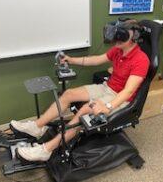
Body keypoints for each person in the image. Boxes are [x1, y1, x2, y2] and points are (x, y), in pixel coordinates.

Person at [11, 21, 150, 162]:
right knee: (68, 94)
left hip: (119, 98)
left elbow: (128, 91)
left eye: (121, 36)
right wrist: (71, 60)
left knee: (84, 111)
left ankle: (46, 150)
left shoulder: (141, 60)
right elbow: (96, 60)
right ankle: (37, 127)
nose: (116, 40)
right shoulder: (118, 50)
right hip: (106, 87)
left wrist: (108, 107)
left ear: (134, 36)